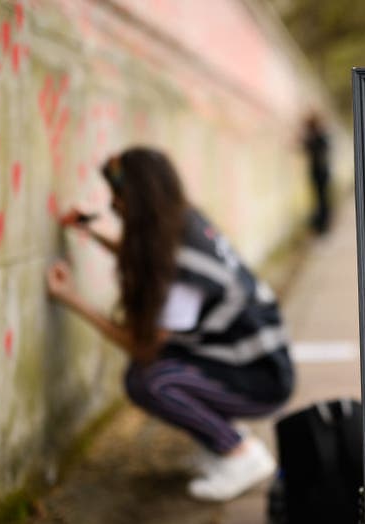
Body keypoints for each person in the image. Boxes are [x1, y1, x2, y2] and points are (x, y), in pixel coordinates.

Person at [45, 146, 294, 502]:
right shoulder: (184, 221)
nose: (113, 205)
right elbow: (150, 257)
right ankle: (225, 440)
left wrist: (72, 298)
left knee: (148, 379)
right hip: (253, 358)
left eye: (118, 196)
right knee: (156, 371)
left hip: (261, 376)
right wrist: (94, 229)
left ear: (141, 199)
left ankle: (241, 454)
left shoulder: (180, 264)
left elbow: (143, 346)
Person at [303, 113, 331, 234]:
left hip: (321, 173)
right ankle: (321, 225)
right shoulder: (317, 137)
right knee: (321, 199)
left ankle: (322, 226)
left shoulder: (319, 137)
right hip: (319, 173)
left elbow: (314, 147)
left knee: (322, 200)